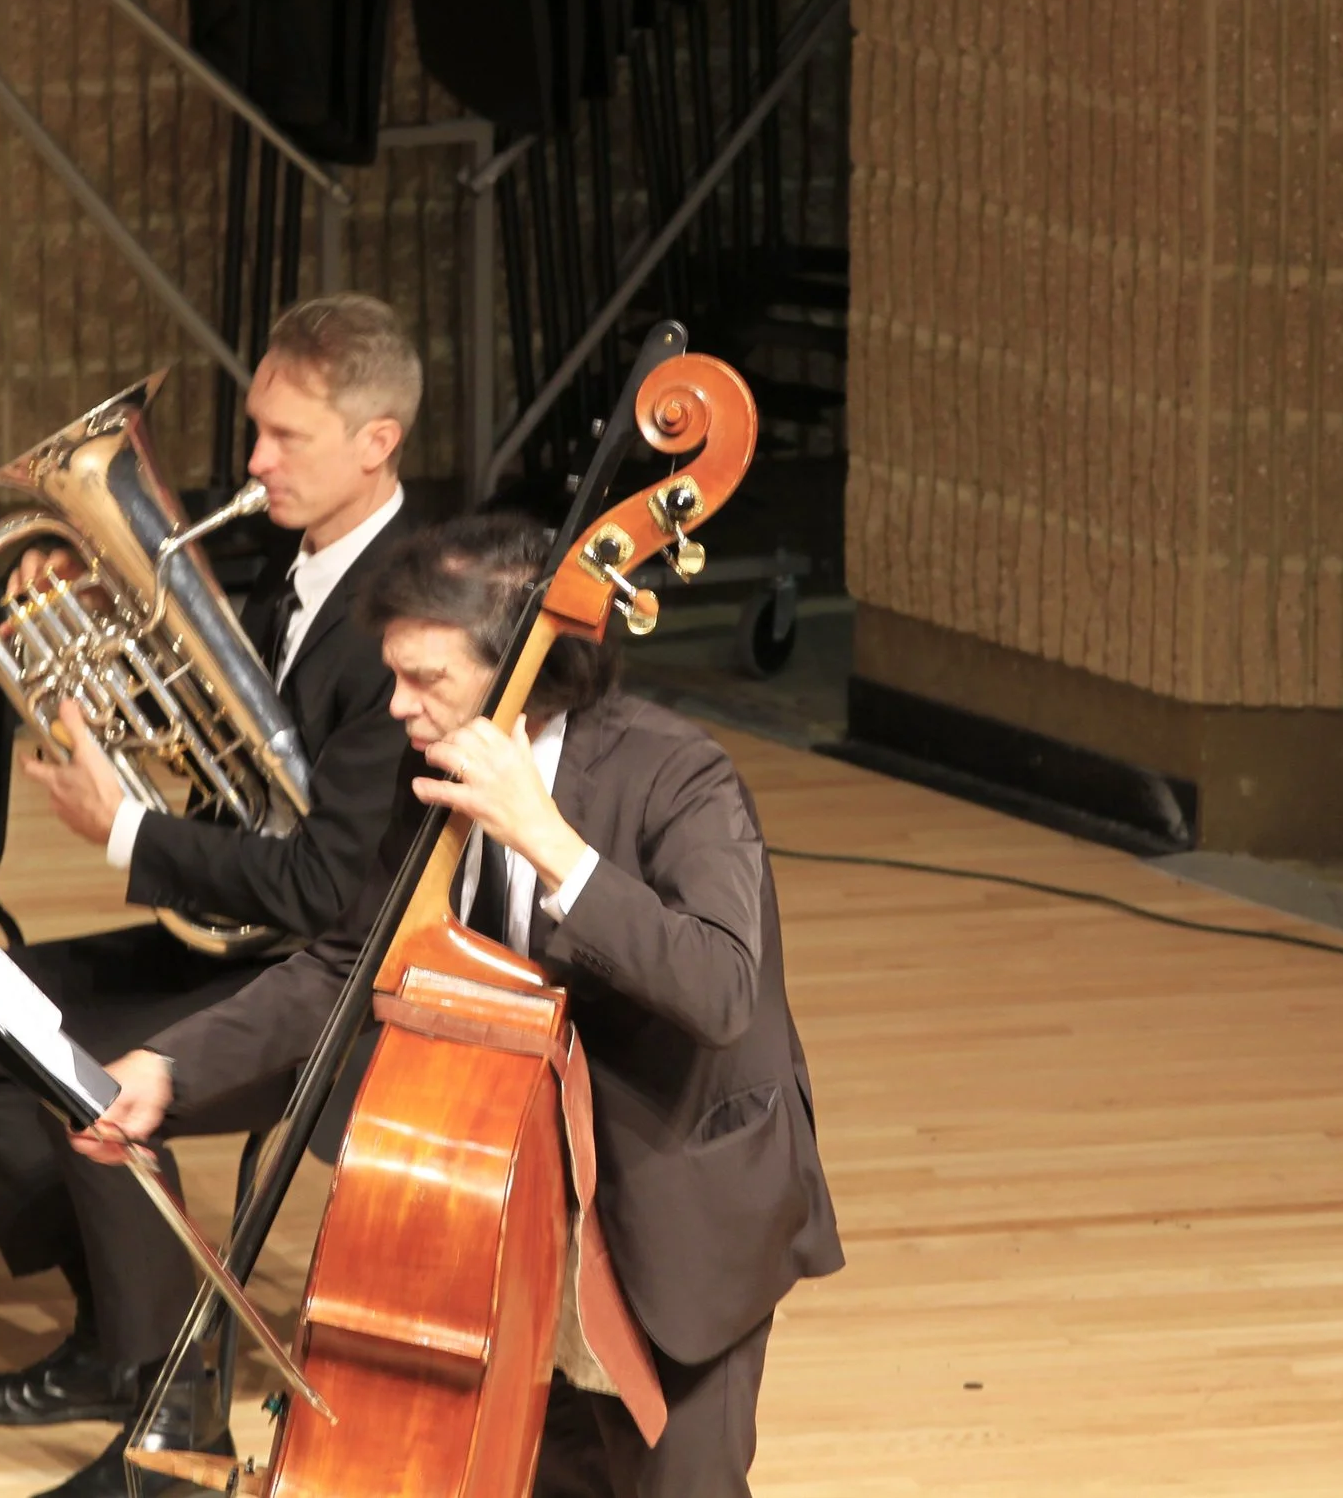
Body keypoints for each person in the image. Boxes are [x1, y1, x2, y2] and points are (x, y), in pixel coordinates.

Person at [70, 513, 844, 1498]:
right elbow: (351, 962)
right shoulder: (430, 766)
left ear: (522, 668)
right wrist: (169, 1067)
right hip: (516, 1199)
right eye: (392, 674)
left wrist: (549, 843)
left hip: (676, 1198)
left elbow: (723, 988)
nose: (396, 704)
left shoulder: (677, 776)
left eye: (425, 678)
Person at [0, 292, 421, 1495]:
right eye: (254, 429)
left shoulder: (407, 618)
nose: (254, 459)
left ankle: (172, 1402)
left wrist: (124, 825)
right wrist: (98, 677)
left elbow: (324, 883)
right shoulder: (291, 572)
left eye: (285, 437)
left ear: (376, 442)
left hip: (325, 986)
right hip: (238, 944)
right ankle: (116, 1324)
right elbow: (239, 786)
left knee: (77, 1064)